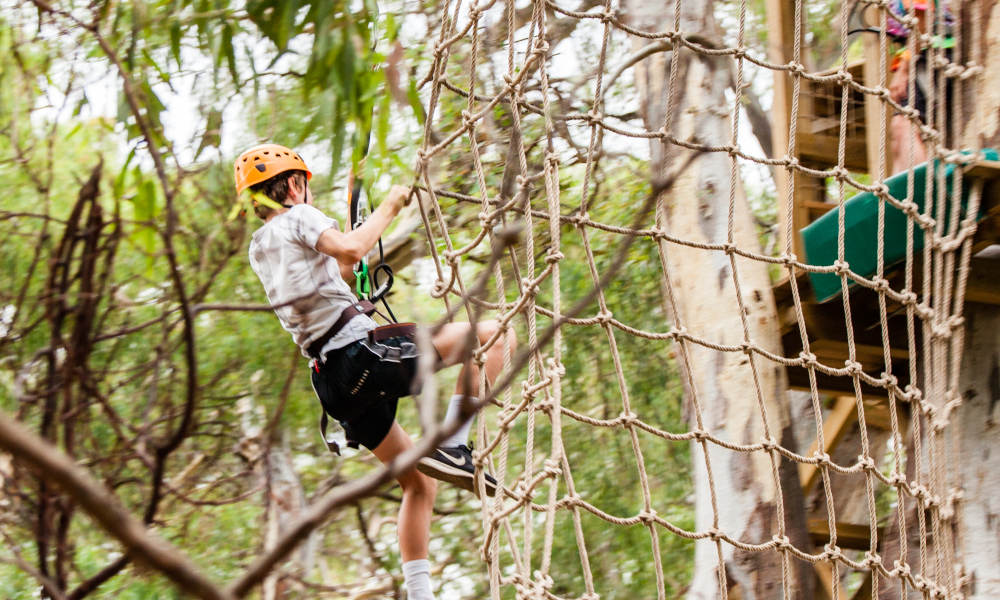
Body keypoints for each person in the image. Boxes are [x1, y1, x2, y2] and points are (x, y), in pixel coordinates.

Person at [234, 143, 513, 600]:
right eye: (304, 184)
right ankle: (456, 443)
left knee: (418, 485)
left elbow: (339, 272)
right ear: (293, 185)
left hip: (334, 385)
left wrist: (350, 251)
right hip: (360, 355)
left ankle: (419, 595)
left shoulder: (260, 247)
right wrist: (391, 205)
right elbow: (351, 247)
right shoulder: (298, 217)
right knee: (496, 334)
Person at [886, 0, 954, 174]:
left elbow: (921, 20)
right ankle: (905, 195)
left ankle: (921, 194)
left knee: (903, 125)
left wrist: (903, 70)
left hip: (933, 54)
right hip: (925, 56)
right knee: (903, 133)